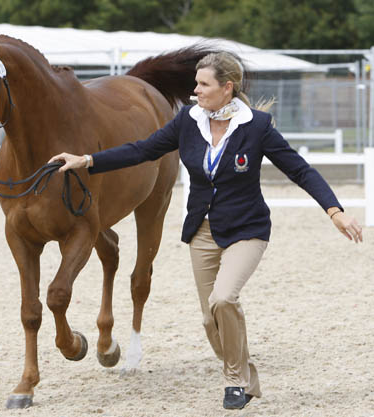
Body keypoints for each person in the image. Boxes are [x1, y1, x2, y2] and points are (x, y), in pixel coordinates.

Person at [48, 51, 363, 410]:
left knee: (224, 299)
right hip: (203, 232)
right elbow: (143, 150)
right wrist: (88, 161)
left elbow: (300, 170)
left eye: (203, 84)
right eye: (195, 83)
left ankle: (235, 382)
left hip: (247, 229)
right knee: (210, 319)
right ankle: (246, 375)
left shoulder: (257, 126)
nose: (194, 90)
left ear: (226, 88)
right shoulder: (187, 121)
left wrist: (335, 210)